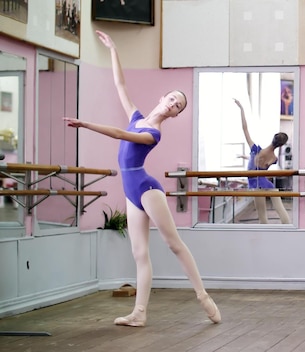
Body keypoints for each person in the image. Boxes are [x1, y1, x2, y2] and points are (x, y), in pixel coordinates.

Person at [63, 30, 220, 327]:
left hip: (147, 189)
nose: (172, 104)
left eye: (178, 106)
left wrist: (85, 124)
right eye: (172, 99)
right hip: (130, 190)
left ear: (174, 115)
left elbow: (122, 135)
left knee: (174, 244)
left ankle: (202, 295)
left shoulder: (153, 133)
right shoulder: (137, 116)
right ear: (162, 98)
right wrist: (113, 49)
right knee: (139, 253)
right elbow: (120, 84)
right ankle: (139, 313)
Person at [234, 98, 291, 224]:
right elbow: (259, 168)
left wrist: (242, 109)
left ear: (273, 138)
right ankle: (288, 231)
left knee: (262, 217)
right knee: (281, 211)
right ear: (281, 145)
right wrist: (245, 157)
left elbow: (245, 128)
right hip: (267, 185)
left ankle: (266, 238)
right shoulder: (274, 159)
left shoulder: (256, 150)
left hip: (256, 186)